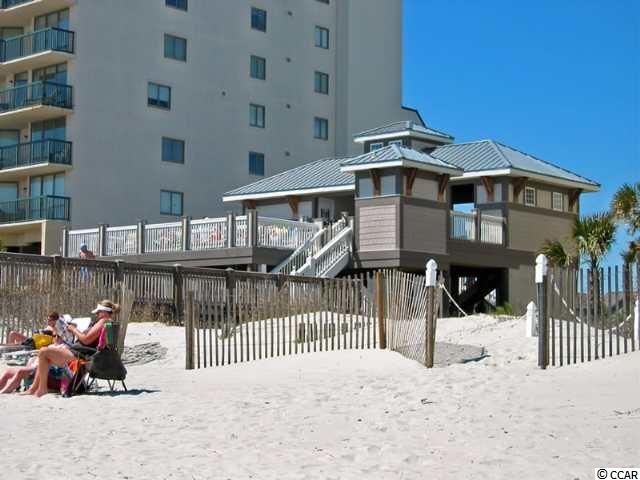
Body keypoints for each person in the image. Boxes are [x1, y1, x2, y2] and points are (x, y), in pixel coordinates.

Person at [23, 300, 120, 397]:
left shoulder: (103, 321)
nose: (97, 314)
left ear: (104, 311)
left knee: (43, 352)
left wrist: (73, 330)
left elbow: (86, 340)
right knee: (44, 354)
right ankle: (34, 388)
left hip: (82, 354)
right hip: (82, 352)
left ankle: (41, 389)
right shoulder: (109, 322)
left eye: (98, 312)